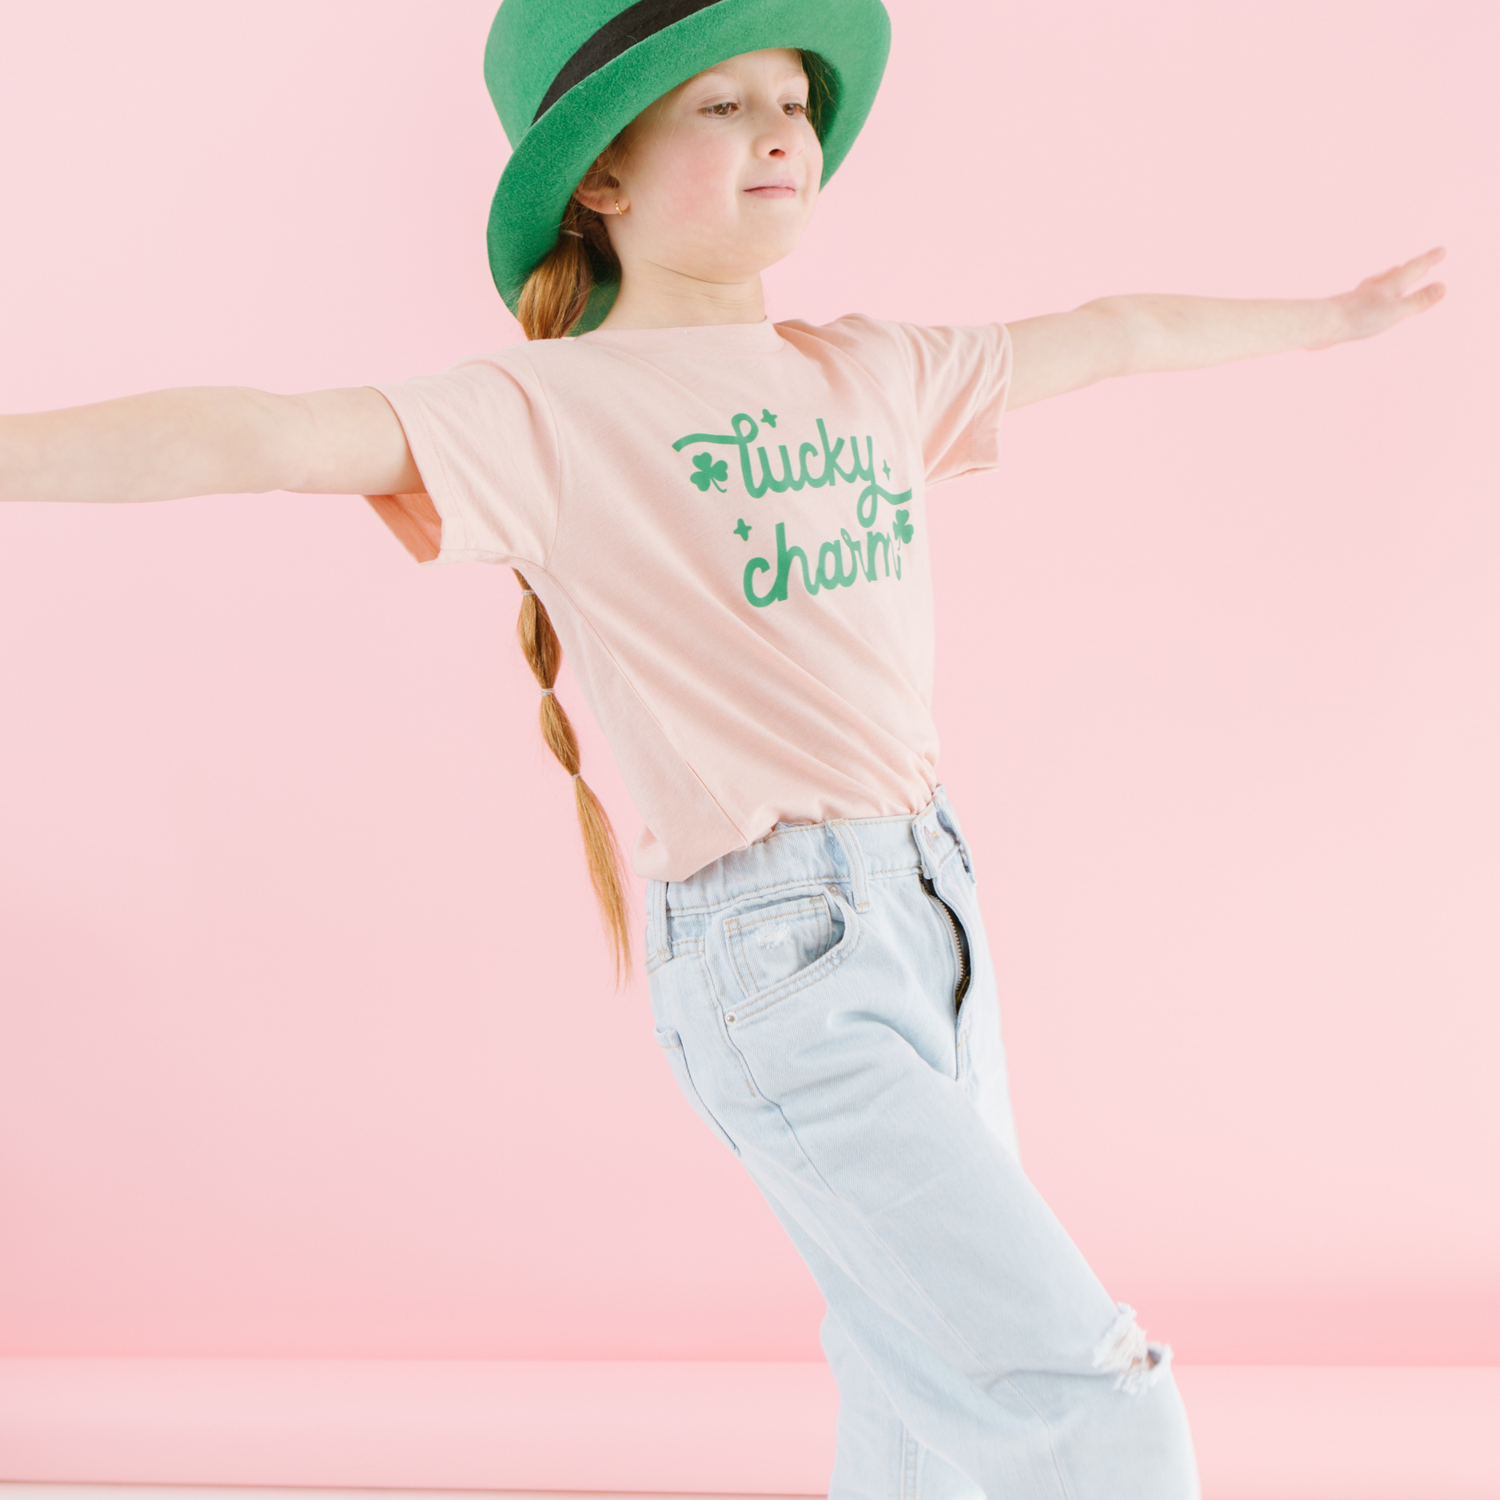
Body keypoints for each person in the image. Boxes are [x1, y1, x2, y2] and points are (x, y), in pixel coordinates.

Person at [1, 1, 1445, 1495]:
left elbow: (1117, 331)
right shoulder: (545, 412)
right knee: (1090, 1402)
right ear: (601, 177)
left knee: (918, 1396)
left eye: (794, 102)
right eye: (721, 105)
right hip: (784, 960)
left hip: (935, 915)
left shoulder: (875, 368)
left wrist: (1332, 318)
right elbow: (265, 435)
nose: (780, 133)